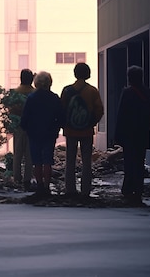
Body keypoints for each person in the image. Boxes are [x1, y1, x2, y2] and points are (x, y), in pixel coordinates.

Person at [61, 62, 104, 198]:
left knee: (70, 160)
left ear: (75, 73)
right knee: (86, 161)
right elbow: (99, 110)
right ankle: (85, 190)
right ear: (87, 73)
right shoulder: (92, 91)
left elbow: (61, 110)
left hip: (70, 130)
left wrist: (65, 125)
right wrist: (91, 123)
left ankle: (70, 189)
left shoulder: (67, 91)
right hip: (86, 131)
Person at [114, 65, 150, 206]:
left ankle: (128, 189)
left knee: (129, 162)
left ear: (129, 78)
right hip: (142, 134)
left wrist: (117, 135)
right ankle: (138, 190)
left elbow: (121, 115)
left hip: (128, 135)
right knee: (139, 162)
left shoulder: (127, 93)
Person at [20, 71, 63, 198]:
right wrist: (56, 129)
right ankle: (47, 186)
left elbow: (25, 117)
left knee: (37, 161)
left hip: (34, 133)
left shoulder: (31, 98)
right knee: (47, 160)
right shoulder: (54, 98)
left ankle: (39, 186)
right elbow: (60, 116)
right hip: (50, 133)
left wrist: (26, 128)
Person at [8, 69, 35, 190]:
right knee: (29, 154)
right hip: (31, 127)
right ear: (31, 79)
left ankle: (17, 177)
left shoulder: (14, 93)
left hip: (17, 126)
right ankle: (27, 179)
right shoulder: (35, 93)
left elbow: (10, 110)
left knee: (17, 153)